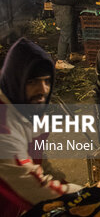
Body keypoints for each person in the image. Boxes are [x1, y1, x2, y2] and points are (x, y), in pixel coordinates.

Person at [0, 38, 82, 215]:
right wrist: (82, 194)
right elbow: (26, 181)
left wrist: (59, 180)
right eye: (32, 82)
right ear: (16, 81)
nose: (42, 89)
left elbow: (36, 157)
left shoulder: (30, 107)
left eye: (46, 81)